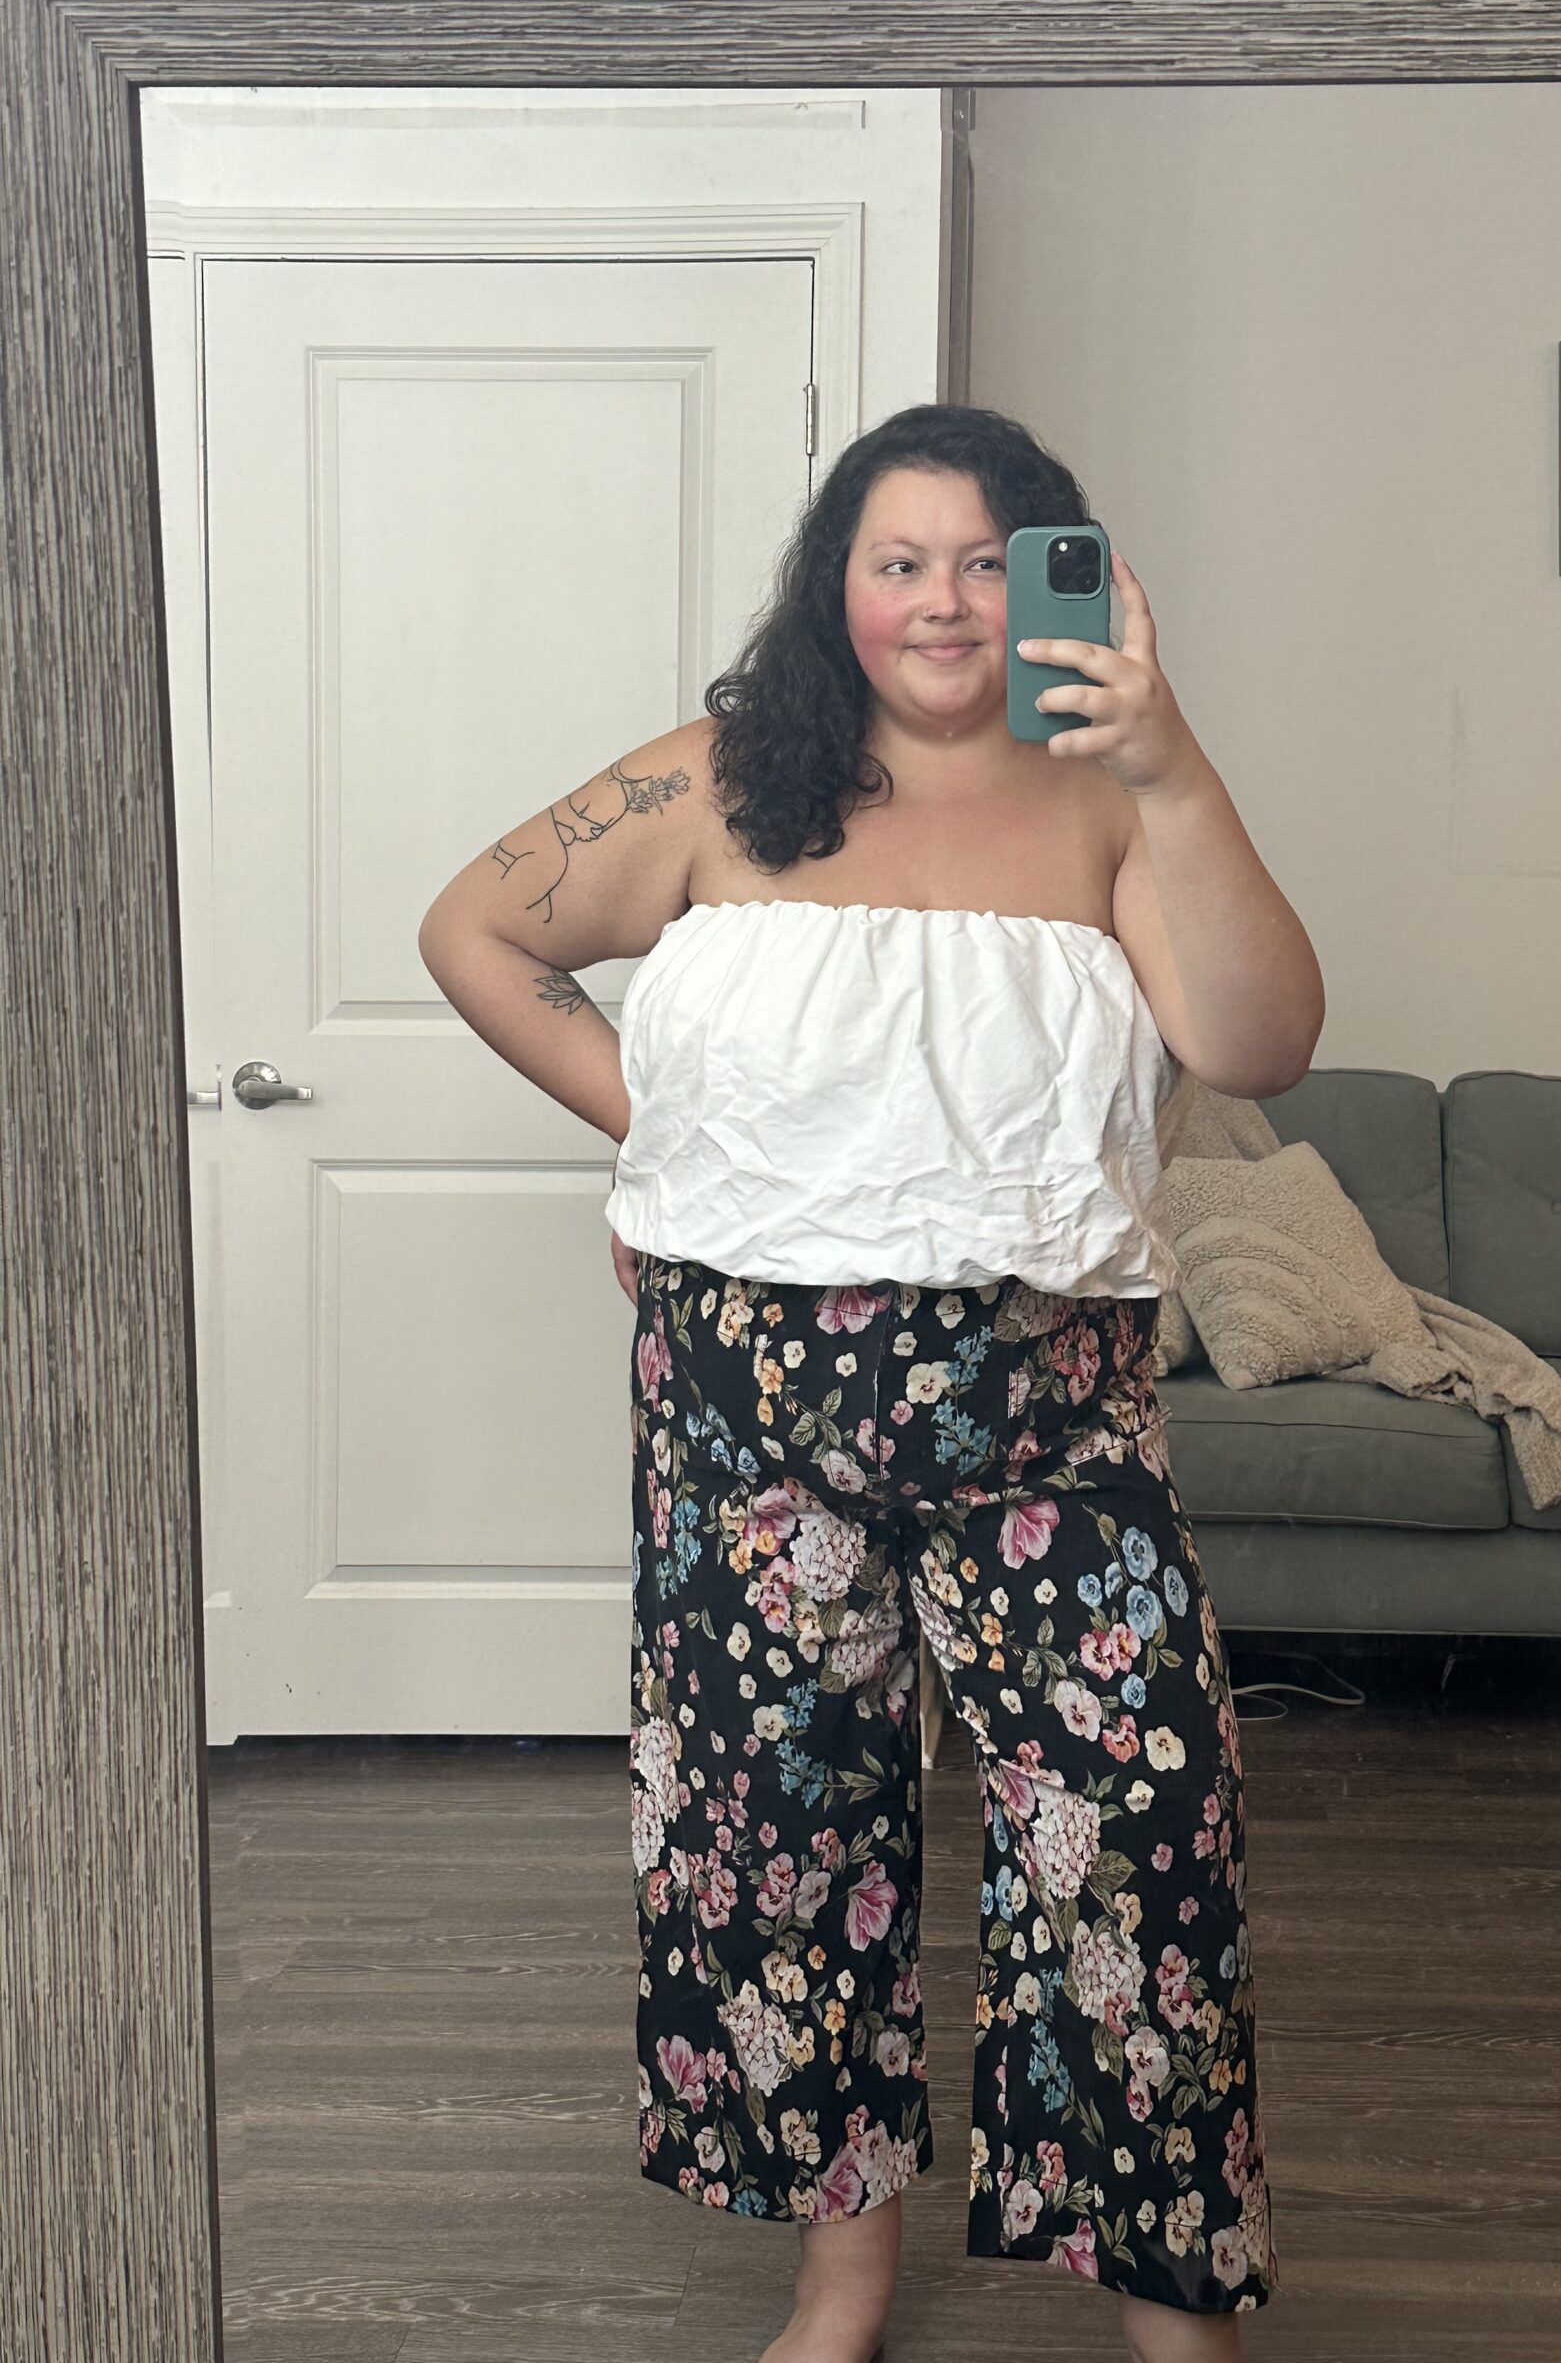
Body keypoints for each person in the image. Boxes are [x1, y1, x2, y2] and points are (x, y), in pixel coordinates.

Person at [418, 403, 1325, 2363]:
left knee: (1135, 1826)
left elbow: (1259, 1039)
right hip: (747, 1393)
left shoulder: (1109, 795)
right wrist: (658, 1145)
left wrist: (1169, 762)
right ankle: (843, 2273)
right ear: (839, 581)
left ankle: (1174, 2296)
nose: (940, 597)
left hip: (1047, 1395)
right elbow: (475, 925)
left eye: (988, 559)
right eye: (897, 556)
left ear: (1061, 575)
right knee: (783, 1829)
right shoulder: (718, 778)